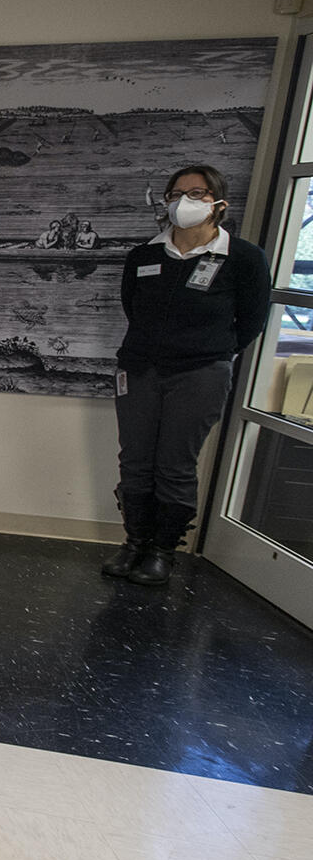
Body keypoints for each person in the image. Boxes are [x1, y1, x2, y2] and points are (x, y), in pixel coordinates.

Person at [105, 165, 270, 586]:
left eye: (197, 193)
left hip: (200, 372)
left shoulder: (244, 258)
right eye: (177, 193)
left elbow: (251, 321)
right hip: (141, 368)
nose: (185, 201)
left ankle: (163, 551)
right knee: (136, 459)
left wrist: (211, 352)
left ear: (218, 203)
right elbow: (133, 308)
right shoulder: (144, 256)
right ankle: (135, 543)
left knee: (176, 464)